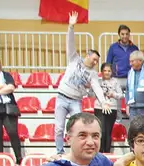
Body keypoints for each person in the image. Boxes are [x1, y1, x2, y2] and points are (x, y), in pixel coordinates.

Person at [55, 12, 109, 155]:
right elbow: (70, 43)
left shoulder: (92, 74)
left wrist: (103, 102)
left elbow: (97, 88)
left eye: (97, 61)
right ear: (88, 55)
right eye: (94, 59)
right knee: (59, 128)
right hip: (62, 96)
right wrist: (71, 26)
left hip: (76, 101)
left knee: (79, 128)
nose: (95, 62)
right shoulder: (74, 59)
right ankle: (59, 151)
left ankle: (76, 152)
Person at [95, 63, 123, 154]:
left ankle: (107, 152)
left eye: (109, 71)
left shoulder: (115, 82)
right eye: (105, 70)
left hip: (112, 108)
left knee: (108, 131)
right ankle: (99, 152)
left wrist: (113, 94)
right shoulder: (97, 81)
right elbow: (90, 94)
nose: (107, 73)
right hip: (99, 108)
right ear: (101, 71)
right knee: (101, 130)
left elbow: (121, 95)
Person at [105, 24, 139, 89]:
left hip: (131, 78)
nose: (125, 36)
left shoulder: (135, 48)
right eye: (122, 34)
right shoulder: (113, 47)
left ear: (129, 35)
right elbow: (108, 63)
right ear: (119, 35)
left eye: (127, 34)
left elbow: (139, 64)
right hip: (116, 78)